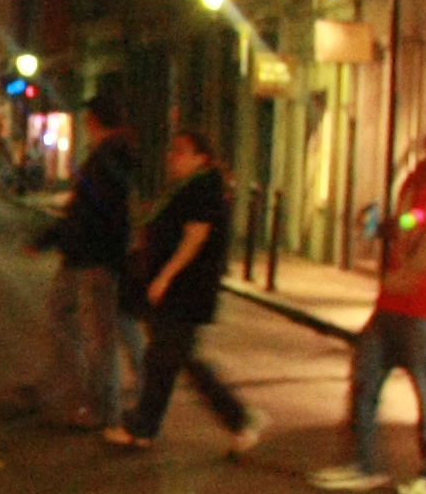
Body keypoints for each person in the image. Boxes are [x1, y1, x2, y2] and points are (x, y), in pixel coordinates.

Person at [314, 124, 426, 494]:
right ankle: (363, 464)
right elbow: (412, 221)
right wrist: (381, 226)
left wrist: (408, 274)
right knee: (364, 378)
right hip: (391, 307)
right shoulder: (415, 187)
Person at [113, 126, 261, 455]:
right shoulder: (188, 187)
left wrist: (164, 277)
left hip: (187, 292)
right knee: (168, 359)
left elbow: (194, 238)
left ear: (201, 158)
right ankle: (145, 427)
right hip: (181, 291)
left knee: (171, 359)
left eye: (181, 151)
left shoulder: (203, 189)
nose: (172, 157)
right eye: (172, 150)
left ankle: (239, 420)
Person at [32, 89, 139, 429]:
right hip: (92, 254)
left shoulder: (107, 158)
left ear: (94, 121)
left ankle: (100, 407)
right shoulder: (112, 155)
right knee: (97, 327)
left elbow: (90, 211)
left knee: (98, 334)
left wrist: (56, 238)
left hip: (94, 256)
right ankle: (65, 391)